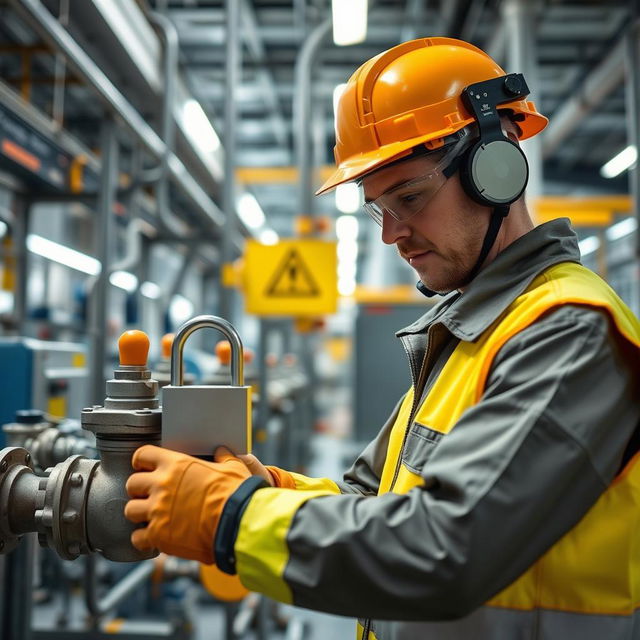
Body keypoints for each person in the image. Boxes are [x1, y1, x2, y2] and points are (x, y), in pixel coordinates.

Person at [124, 38, 640, 639]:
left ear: (495, 169)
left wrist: (230, 516)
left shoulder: (567, 331)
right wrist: (264, 487)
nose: (393, 233)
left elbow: (445, 549)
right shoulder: (475, 333)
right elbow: (370, 496)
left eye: (410, 197)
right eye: (378, 208)